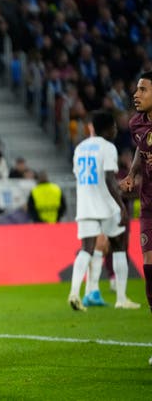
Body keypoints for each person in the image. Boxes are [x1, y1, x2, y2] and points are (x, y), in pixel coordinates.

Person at [69, 111, 140, 311]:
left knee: (86, 249)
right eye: (114, 127)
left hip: (85, 205)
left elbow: (82, 176)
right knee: (119, 246)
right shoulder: (108, 148)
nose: (116, 130)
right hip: (106, 205)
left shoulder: (80, 147)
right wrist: (120, 205)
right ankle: (121, 298)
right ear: (107, 128)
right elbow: (109, 179)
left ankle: (74, 293)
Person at [119, 71, 152, 364]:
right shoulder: (136, 124)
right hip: (150, 206)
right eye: (136, 89)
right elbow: (142, 151)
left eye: (142, 89)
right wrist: (131, 174)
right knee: (150, 272)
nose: (136, 94)